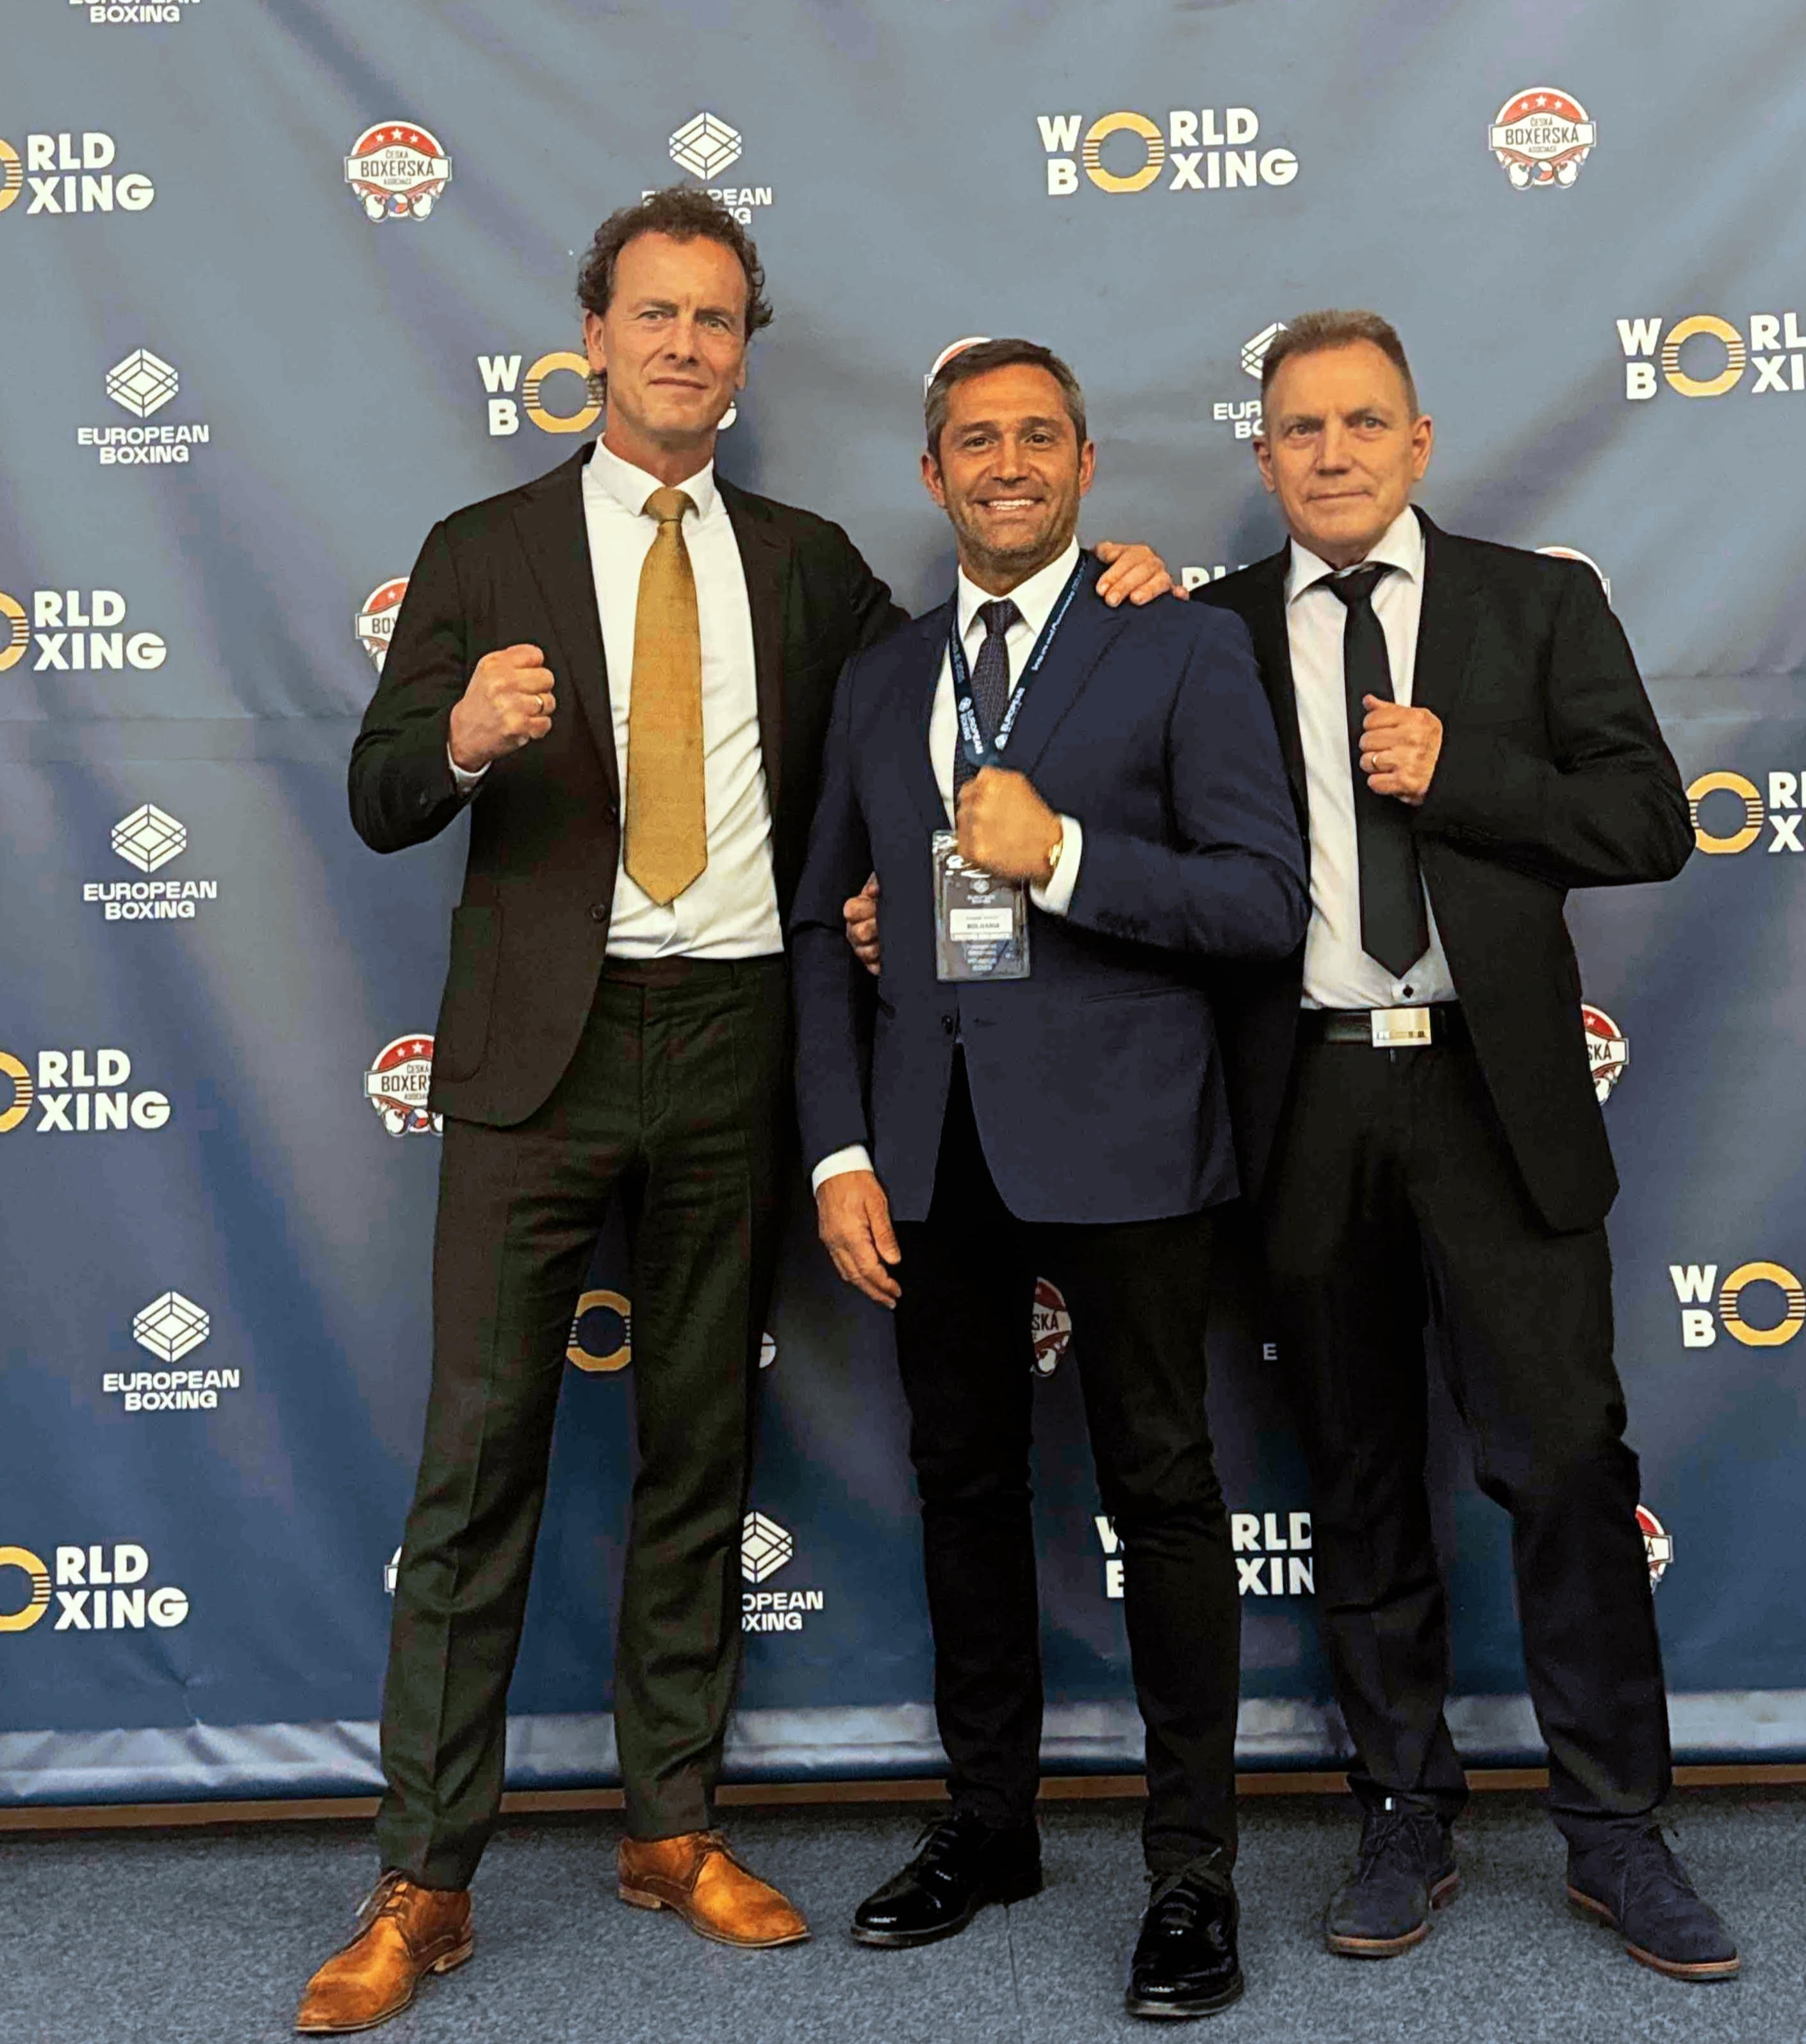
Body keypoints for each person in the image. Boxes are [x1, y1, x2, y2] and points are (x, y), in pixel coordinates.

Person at [300, 195, 1175, 2035]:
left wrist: (1131, 588)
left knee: (698, 1455)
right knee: (476, 1470)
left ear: (741, 354)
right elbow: (378, 792)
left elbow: (958, 685)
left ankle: (670, 1826)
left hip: (733, 1044)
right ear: (593, 340)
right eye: (655, 315)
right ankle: (424, 1876)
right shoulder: (482, 547)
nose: (686, 345)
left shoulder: (803, 562)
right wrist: (458, 736)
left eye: (715, 320)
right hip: (536, 1057)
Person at [1190, 312, 1736, 1980]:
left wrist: (1463, 773)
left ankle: (1614, 1830)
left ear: (1419, 442)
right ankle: (1401, 1812)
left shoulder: (1533, 605)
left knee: (1564, 1463)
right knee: (1357, 1477)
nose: (1333, 451)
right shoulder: (1208, 633)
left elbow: (1648, 820)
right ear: (1263, 455)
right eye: (1300, 427)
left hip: (1495, 1101)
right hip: (1306, 1099)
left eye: (1363, 421)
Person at [792, 337, 1307, 2020]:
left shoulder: (1181, 644)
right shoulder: (883, 676)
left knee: (1162, 1490)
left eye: (1036, 436)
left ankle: (1191, 1868)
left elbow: (1261, 901)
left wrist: (1065, 856)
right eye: (973, 439)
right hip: (930, 1145)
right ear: (931, 473)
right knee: (961, 1487)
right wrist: (841, 1144)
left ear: (1086, 465)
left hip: (1129, 1133)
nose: (1005, 463)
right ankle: (989, 1824)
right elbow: (824, 927)